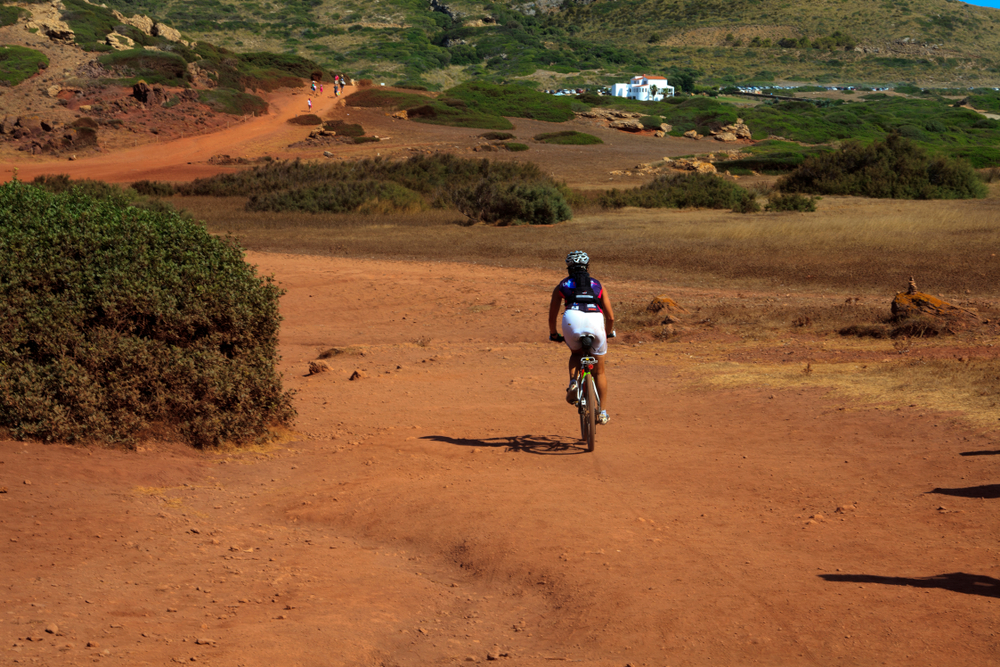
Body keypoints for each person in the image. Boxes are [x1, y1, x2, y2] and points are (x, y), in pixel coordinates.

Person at [548, 250, 615, 424]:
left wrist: (554, 334)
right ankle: (602, 412)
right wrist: (607, 333)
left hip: (572, 320)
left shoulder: (562, 285)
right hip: (595, 320)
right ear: (587, 267)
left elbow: (552, 315)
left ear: (569, 268)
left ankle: (573, 382)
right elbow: (611, 317)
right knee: (599, 371)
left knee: (576, 354)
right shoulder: (598, 285)